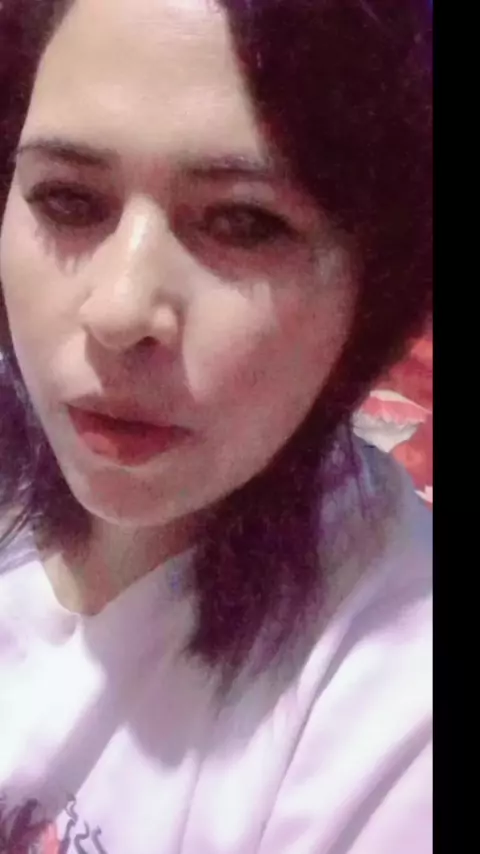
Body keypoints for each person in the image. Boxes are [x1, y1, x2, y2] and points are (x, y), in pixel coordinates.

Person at [0, 0, 432, 851]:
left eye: (243, 222)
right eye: (67, 198)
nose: (120, 310)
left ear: (375, 283)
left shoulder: (395, 715)